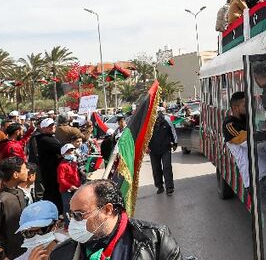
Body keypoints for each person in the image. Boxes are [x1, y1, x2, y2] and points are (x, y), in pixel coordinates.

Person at [50, 180, 183, 260]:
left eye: (79, 215)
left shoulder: (156, 239)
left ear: (107, 210)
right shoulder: (61, 254)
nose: (73, 222)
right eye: (71, 215)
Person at [0, 158, 30, 260]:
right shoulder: (1, 200)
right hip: (9, 254)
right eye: (24, 169)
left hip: (23, 248)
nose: (28, 171)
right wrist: (2, 255)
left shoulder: (19, 193)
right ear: (15, 174)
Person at [222, 92, 251, 190]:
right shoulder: (230, 124)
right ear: (235, 108)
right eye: (245, 105)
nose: (248, 107)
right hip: (253, 177)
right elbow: (250, 143)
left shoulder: (248, 119)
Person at [35, 118, 64, 213]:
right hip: (51, 170)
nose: (52, 127)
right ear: (43, 128)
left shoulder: (49, 137)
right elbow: (62, 150)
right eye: (49, 126)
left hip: (52, 169)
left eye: (53, 125)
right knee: (52, 192)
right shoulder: (45, 139)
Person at [148, 107, 178, 196]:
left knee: (167, 167)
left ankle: (169, 188)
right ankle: (160, 186)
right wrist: (146, 147)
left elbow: (173, 131)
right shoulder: (149, 123)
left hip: (165, 148)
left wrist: (175, 143)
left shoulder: (167, 120)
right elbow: (145, 136)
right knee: (156, 169)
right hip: (153, 150)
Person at [57, 144, 81, 217]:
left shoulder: (74, 163)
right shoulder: (62, 166)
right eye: (68, 151)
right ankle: (67, 225)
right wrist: (70, 186)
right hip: (66, 190)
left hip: (75, 188)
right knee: (67, 207)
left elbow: (76, 174)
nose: (71, 152)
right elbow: (60, 179)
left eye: (72, 150)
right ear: (64, 154)